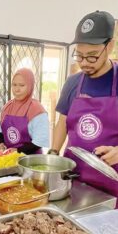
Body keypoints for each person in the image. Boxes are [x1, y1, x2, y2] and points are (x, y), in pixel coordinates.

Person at [49, 11, 118, 206]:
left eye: (92, 56)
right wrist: (53, 154)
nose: (84, 63)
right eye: (79, 55)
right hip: (74, 180)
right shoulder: (72, 83)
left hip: (112, 185)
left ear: (110, 46)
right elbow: (63, 121)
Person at [0, 68, 49, 154]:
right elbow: (0, 130)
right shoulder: (7, 107)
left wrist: (18, 151)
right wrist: (1, 143)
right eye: (14, 85)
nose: (17, 89)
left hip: (31, 161)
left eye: (21, 85)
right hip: (10, 159)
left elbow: (39, 142)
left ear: (30, 86)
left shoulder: (37, 109)